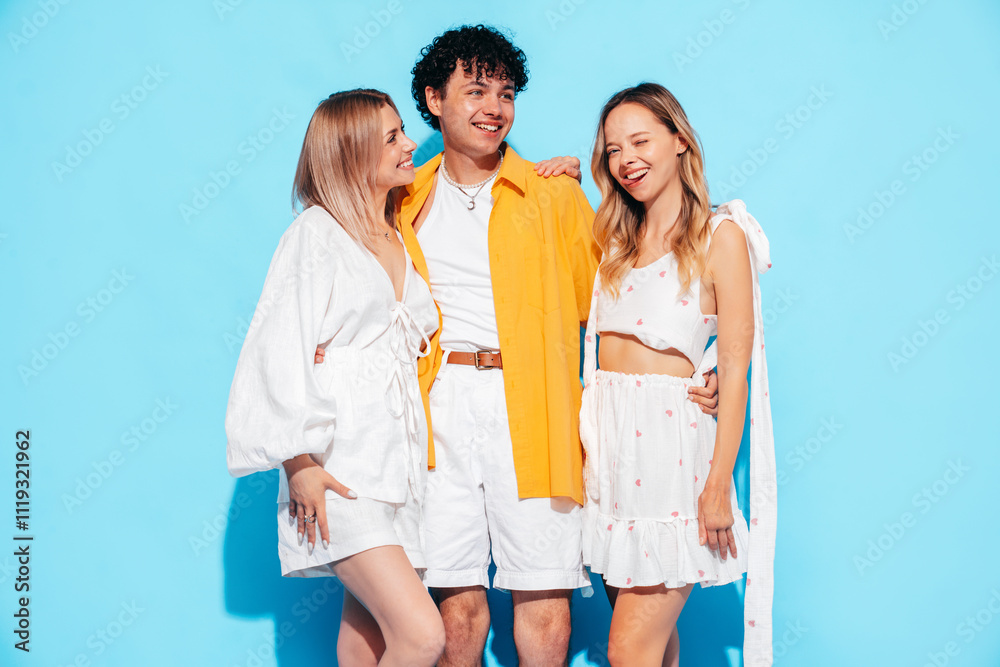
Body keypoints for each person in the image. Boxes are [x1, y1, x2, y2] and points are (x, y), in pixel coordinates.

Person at [225, 89, 446, 667]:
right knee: (423, 636)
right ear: (352, 153)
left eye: (403, 131)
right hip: (340, 469)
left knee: (366, 641)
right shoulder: (316, 234)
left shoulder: (396, 229)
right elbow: (277, 349)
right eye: (392, 137)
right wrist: (298, 464)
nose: (409, 144)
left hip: (398, 467)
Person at [579, 82, 777, 667]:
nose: (626, 159)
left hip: (671, 459)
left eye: (641, 141)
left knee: (627, 651)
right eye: (614, 149)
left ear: (680, 142)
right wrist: (562, 174)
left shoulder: (722, 235)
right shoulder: (615, 239)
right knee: (654, 649)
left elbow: (735, 369)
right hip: (610, 455)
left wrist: (717, 486)